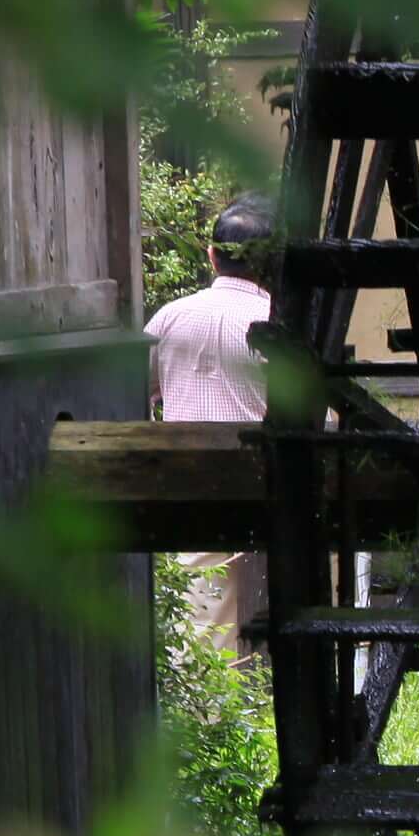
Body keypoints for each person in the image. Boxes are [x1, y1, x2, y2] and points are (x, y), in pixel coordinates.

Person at [146, 197, 274, 653]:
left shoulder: (169, 318)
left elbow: (133, 396)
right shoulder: (275, 325)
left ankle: (203, 719)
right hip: (263, 491)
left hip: (183, 486)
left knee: (199, 628)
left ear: (211, 255)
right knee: (256, 631)